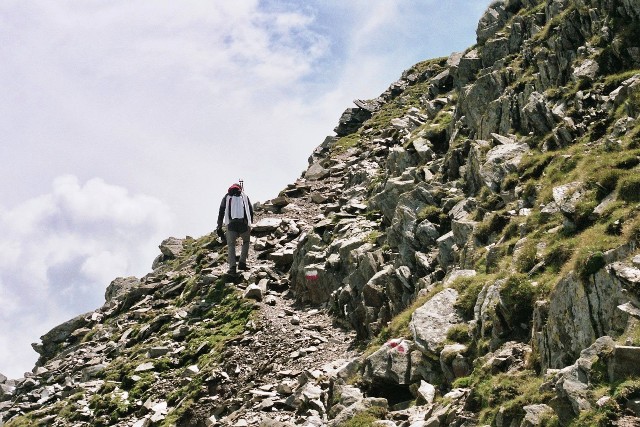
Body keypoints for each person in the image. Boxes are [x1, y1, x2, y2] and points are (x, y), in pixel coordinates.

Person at [216, 183, 253, 275]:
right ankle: (242, 263)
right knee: (246, 241)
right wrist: (250, 223)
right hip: (243, 224)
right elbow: (250, 210)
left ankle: (232, 267)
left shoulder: (227, 197)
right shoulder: (244, 196)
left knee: (231, 245)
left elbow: (221, 211)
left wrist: (219, 225)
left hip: (231, 224)